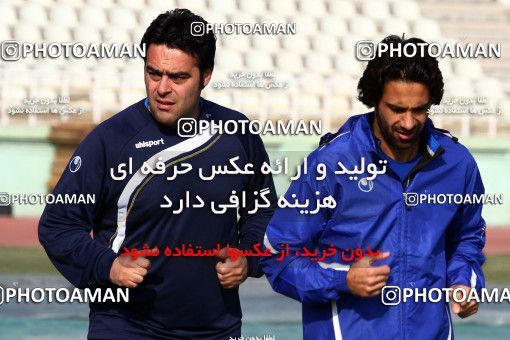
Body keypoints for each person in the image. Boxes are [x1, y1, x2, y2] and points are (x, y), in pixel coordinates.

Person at [39, 9, 276, 339]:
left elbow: (263, 212)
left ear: (205, 75)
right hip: (124, 324)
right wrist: (107, 265)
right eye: (153, 73)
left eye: (178, 77)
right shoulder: (111, 140)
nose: (162, 88)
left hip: (216, 328)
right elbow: (58, 224)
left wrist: (249, 257)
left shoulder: (237, 135)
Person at [261, 35, 486, 339]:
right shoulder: (329, 165)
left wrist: (464, 281)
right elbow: (277, 256)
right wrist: (343, 280)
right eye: (396, 109)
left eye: (419, 110)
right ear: (374, 99)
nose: (408, 122)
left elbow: (466, 238)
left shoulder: (457, 164)